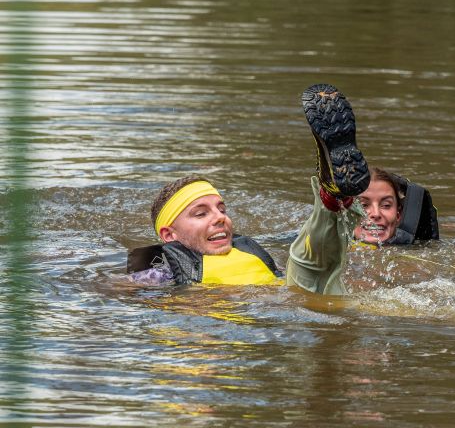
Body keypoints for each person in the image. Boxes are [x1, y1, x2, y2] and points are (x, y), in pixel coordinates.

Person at [128, 84, 438, 293]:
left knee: (311, 264)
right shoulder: (164, 272)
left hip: (293, 293)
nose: (220, 217)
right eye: (201, 213)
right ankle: (331, 197)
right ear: (169, 235)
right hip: (276, 307)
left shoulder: (250, 251)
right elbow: (110, 290)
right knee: (311, 268)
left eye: (221, 209)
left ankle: (332, 197)